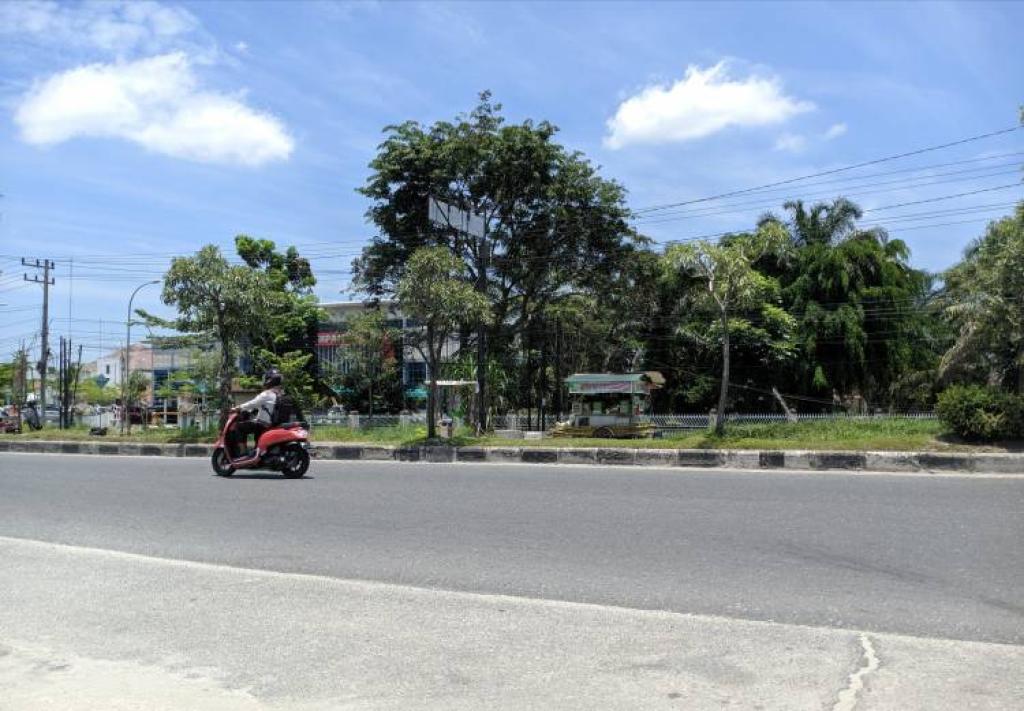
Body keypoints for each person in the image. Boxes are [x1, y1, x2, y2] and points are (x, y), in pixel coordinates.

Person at [229, 368, 283, 457]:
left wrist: (238, 408)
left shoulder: (266, 394)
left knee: (239, 427)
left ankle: (243, 452)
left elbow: (252, 403)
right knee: (255, 427)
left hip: (263, 424)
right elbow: (260, 407)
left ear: (269, 380)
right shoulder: (280, 394)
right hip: (272, 424)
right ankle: (257, 452)